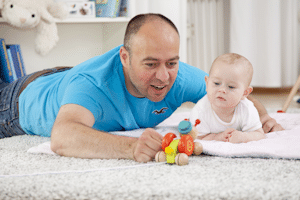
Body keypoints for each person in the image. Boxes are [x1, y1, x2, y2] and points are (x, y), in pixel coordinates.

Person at [0, 13, 283, 162]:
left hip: (61, 79)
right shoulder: (93, 83)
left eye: (172, 62)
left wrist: (265, 117)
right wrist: (131, 147)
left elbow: (233, 92)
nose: (163, 76)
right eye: (150, 65)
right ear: (125, 57)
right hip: (17, 103)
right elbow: (62, 137)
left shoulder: (178, 75)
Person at [190, 53, 265, 143]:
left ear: (245, 93)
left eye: (231, 87)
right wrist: (218, 137)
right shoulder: (200, 111)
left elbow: (259, 134)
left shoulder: (247, 108)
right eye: (216, 83)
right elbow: (199, 138)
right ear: (207, 83)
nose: (222, 90)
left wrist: (244, 137)